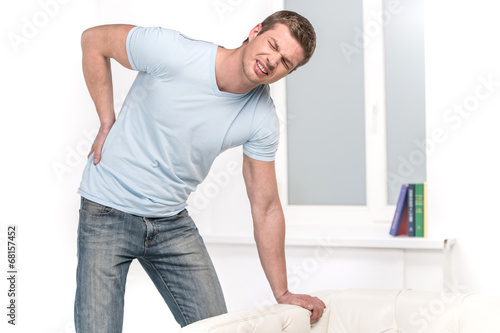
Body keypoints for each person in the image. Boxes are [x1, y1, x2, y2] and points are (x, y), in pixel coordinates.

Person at [75, 10, 325, 333]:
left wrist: (282, 291)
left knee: (218, 328)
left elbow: (266, 207)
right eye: (273, 45)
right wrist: (106, 120)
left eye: (286, 63)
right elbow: (93, 41)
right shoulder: (174, 52)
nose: (273, 61)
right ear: (255, 31)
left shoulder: (262, 120)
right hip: (107, 210)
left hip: (170, 222)